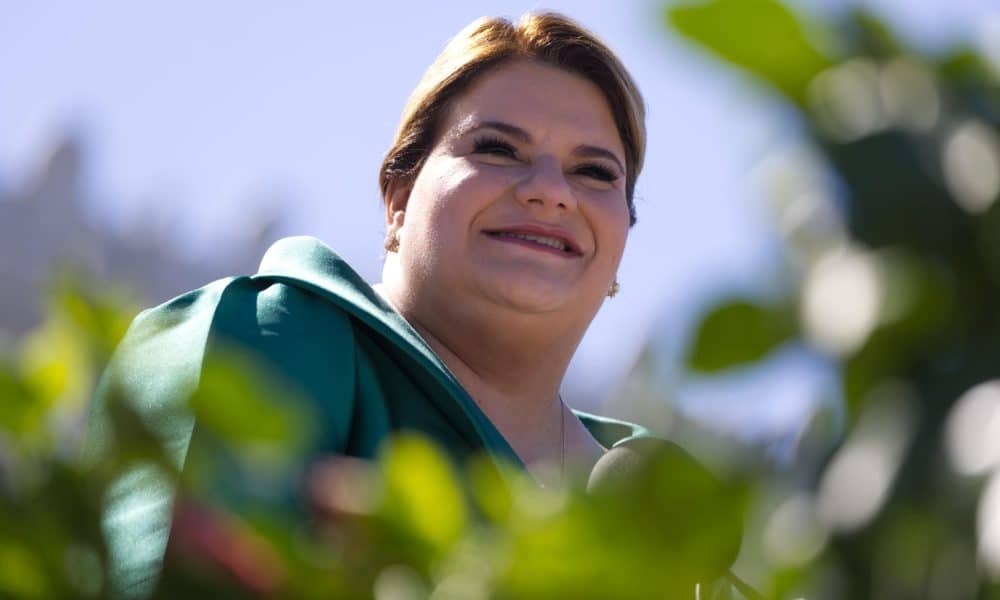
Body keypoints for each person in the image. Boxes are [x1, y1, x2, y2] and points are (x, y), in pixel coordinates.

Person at [85, 11, 754, 599]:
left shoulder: (671, 508)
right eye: (497, 149)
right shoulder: (264, 335)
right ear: (398, 200)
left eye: (595, 171)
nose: (552, 192)